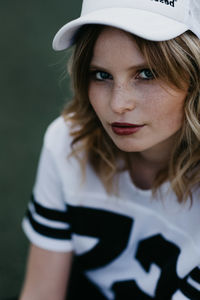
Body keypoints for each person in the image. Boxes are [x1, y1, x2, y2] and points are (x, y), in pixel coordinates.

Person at [19, 1, 200, 299]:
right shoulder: (68, 140)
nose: (118, 105)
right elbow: (40, 292)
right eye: (101, 75)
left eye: (147, 73)